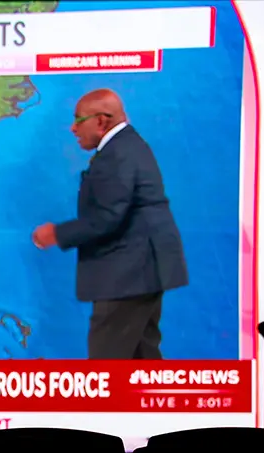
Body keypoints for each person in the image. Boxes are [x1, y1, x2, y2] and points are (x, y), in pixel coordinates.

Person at [32, 89, 188, 360]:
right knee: (142, 363)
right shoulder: (127, 146)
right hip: (142, 272)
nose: (73, 128)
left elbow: (107, 218)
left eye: (78, 120)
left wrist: (56, 234)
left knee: (107, 367)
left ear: (101, 121)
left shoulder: (119, 154)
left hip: (128, 276)